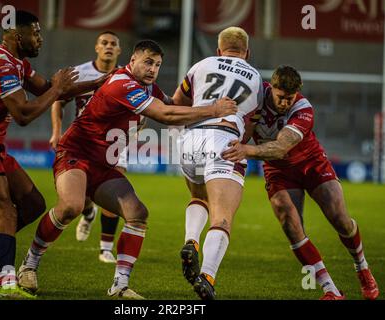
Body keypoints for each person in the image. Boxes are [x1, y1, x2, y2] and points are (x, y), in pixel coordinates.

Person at [17, 40, 237, 299]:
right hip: (76, 154)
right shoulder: (122, 83)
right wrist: (213, 109)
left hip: (105, 165)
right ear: (132, 61)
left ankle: (120, 285)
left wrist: (210, 108)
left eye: (157, 65)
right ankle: (28, 265)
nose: (152, 68)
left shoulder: (149, 87)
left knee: (137, 213)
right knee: (71, 206)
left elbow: (175, 105)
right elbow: (165, 115)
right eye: (147, 62)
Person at [0, 10, 103, 299]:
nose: (40, 39)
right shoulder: (3, 67)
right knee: (4, 211)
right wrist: (57, 88)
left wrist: (99, 83)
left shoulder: (16, 62)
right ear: (19, 36)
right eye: (36, 33)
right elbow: (23, 114)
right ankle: (6, 285)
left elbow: (51, 90)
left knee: (32, 205)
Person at [222, 65, 379, 300]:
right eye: (281, 97)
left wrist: (246, 149)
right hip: (278, 170)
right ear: (271, 88)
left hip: (311, 163)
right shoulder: (254, 96)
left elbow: (281, 147)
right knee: (291, 224)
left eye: (290, 98)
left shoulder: (303, 109)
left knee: (340, 219)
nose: (285, 103)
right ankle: (331, 291)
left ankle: (362, 268)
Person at [172, 26, 263, 300]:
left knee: (198, 196)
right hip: (223, 140)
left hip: (190, 139)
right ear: (247, 52)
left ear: (219, 50)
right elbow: (253, 124)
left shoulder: (202, 65)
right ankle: (208, 276)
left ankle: (191, 242)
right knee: (222, 216)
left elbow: (177, 102)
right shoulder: (258, 78)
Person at [49, 31, 124, 264]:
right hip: (82, 142)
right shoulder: (81, 73)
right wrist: (56, 131)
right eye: (104, 43)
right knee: (84, 196)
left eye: (113, 44)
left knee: (116, 191)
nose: (109, 46)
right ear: (97, 47)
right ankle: (89, 212)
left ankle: (105, 249)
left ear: (119, 50)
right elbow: (58, 101)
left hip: (115, 142)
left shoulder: (124, 76)